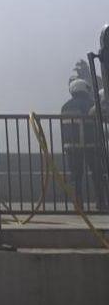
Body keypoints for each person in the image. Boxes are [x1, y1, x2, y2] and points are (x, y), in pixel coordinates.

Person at [61, 79, 109, 211]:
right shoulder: (90, 103)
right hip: (91, 145)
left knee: (75, 177)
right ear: (84, 89)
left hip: (71, 146)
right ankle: (101, 203)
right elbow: (103, 116)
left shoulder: (65, 106)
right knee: (97, 174)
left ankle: (78, 205)